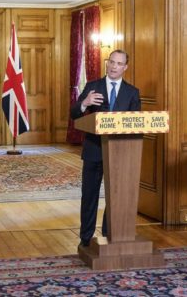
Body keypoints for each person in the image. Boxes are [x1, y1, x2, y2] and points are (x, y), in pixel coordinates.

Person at [70, 49, 141, 247]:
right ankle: (86, 239)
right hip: (94, 151)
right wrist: (84, 103)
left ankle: (110, 235)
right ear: (107, 63)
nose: (114, 66)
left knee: (116, 197)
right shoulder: (93, 86)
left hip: (121, 154)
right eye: (111, 62)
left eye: (119, 64)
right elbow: (74, 113)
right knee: (90, 196)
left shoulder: (132, 93)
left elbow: (136, 123)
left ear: (125, 67)